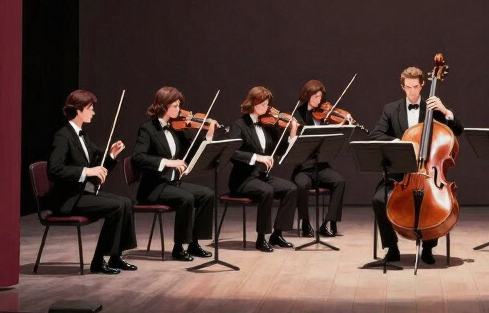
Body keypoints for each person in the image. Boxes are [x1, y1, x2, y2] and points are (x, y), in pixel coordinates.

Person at [368, 66, 464, 265]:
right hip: (399, 175)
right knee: (378, 200)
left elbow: (459, 130)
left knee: (433, 202)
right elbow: (375, 134)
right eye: (408, 87)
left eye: (416, 86)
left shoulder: (432, 110)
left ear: (422, 85)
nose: (412, 91)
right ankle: (391, 247)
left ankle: (428, 248)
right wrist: (399, 143)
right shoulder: (391, 109)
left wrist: (445, 111)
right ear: (402, 86)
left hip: (430, 174)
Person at [45, 89, 138, 274]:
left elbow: (98, 162)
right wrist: (86, 171)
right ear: (79, 110)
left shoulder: (82, 135)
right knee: (116, 207)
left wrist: (111, 154)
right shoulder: (63, 136)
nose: (93, 112)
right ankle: (98, 261)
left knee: (126, 202)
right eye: (90, 108)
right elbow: (54, 170)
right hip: (67, 199)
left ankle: (116, 256)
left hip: (81, 194)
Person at [130, 86, 218, 262]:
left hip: (172, 184)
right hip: (154, 187)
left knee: (207, 194)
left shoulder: (178, 129)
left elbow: (190, 153)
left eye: (179, 106)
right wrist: (167, 162)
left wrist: (208, 136)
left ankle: (194, 243)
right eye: (176, 106)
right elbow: (138, 157)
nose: (180, 110)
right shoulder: (148, 129)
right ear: (163, 106)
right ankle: (179, 248)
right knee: (186, 199)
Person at [226, 86, 299, 252]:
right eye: (264, 104)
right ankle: (261, 238)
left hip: (261, 177)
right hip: (243, 180)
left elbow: (282, 150)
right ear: (253, 103)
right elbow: (232, 152)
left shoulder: (269, 126)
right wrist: (256, 157)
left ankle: (277, 234)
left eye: (268, 104)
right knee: (267, 191)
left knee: (291, 189)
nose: (269, 108)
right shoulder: (240, 125)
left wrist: (293, 131)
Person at [291, 80, 349, 237]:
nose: (319, 101)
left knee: (340, 181)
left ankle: (328, 222)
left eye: (320, 97)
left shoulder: (324, 114)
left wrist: (341, 123)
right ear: (307, 96)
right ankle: (305, 222)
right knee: (301, 184)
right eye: (316, 97)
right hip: (304, 167)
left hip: (321, 166)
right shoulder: (297, 115)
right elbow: (293, 143)